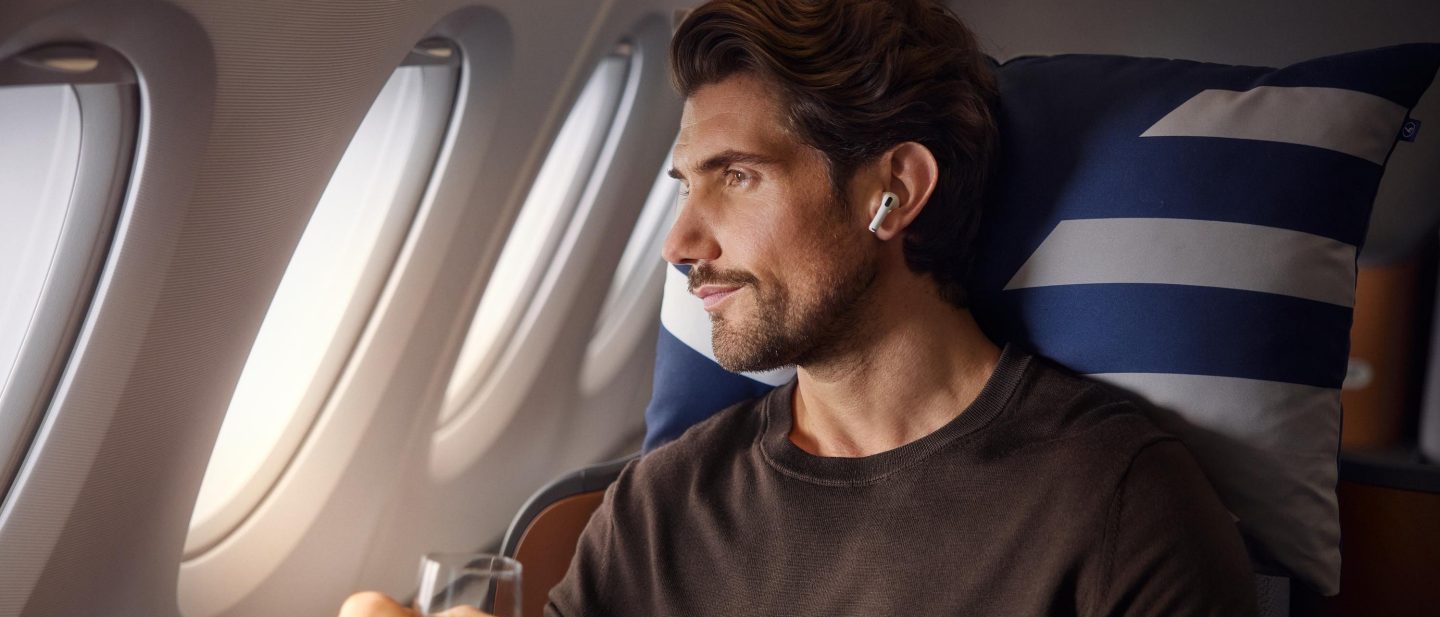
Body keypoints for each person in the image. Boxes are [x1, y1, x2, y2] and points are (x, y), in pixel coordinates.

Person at [341, 0, 1259, 615]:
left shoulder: (1111, 504)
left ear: (894, 190)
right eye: (683, 188)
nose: (680, 245)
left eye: (737, 177)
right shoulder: (660, 508)